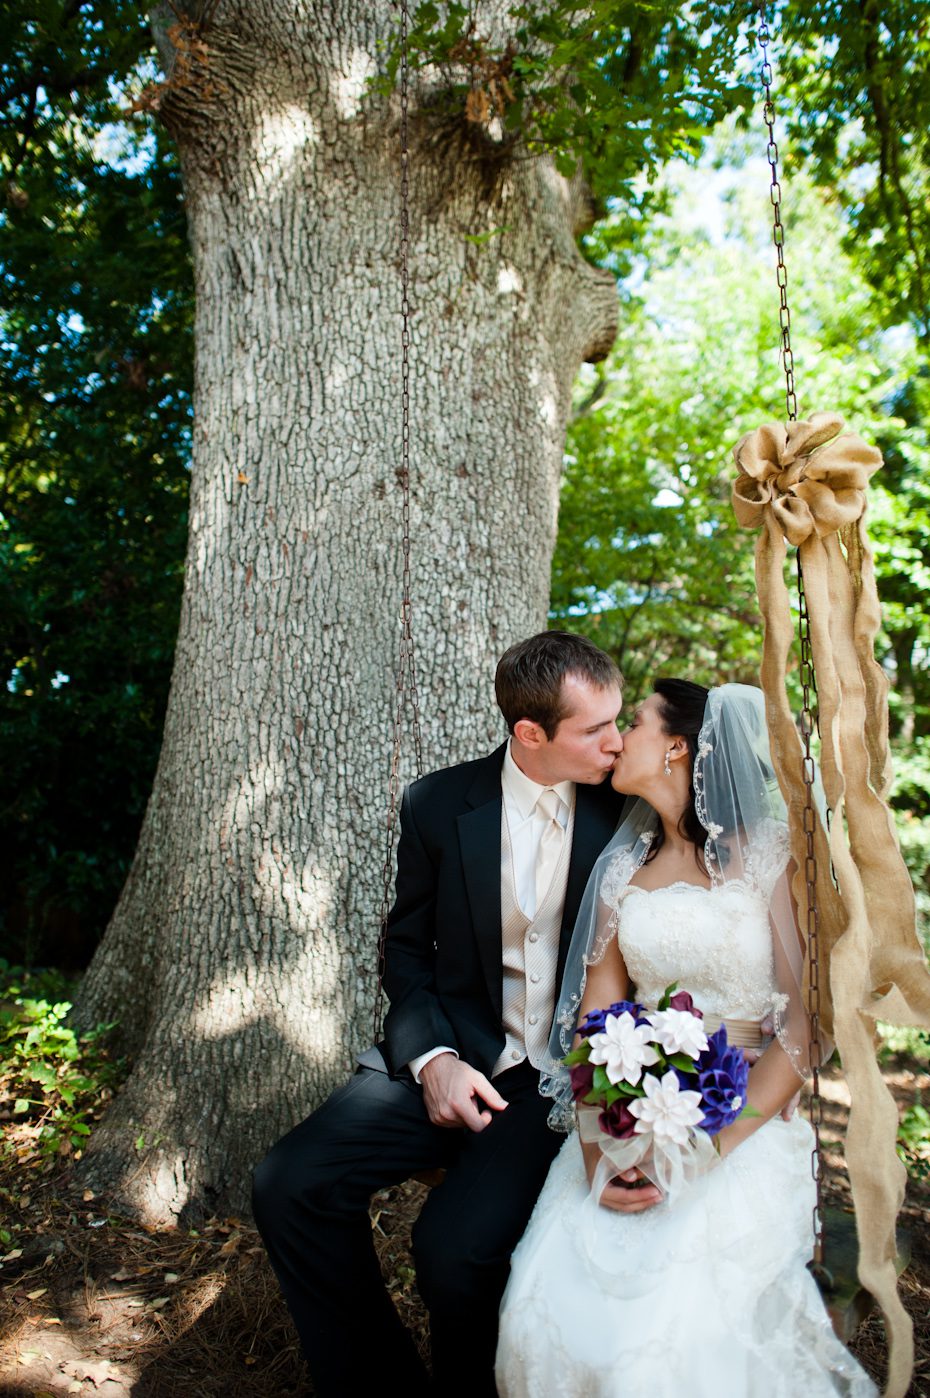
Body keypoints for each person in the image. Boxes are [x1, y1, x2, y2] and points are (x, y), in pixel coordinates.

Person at [251, 631, 626, 1396]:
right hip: (449, 1048)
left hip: (554, 1077)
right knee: (288, 1183)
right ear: (530, 733)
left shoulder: (627, 808)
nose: (616, 743)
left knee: (454, 1252)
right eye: (596, 729)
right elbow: (406, 952)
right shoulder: (435, 803)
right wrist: (434, 1062)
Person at [495, 679, 877, 1397]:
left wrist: (710, 1148)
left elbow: (808, 1021)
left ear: (677, 746)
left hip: (741, 1125)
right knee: (543, 1310)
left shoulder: (768, 859)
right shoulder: (619, 872)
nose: (618, 739)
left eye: (634, 723)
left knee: (681, 1332)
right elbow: (594, 1024)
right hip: (626, 1116)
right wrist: (602, 1148)